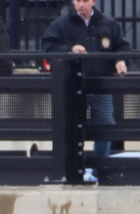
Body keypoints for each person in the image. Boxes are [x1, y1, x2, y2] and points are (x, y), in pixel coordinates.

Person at [41, 0, 129, 160]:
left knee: (104, 127)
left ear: (93, 1)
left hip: (101, 84)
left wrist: (120, 59)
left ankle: (100, 166)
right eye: (78, 0)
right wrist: (69, 50)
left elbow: (121, 46)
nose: (81, 4)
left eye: (85, 1)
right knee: (72, 128)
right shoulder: (61, 23)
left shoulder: (108, 23)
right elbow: (47, 46)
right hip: (74, 85)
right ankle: (73, 167)